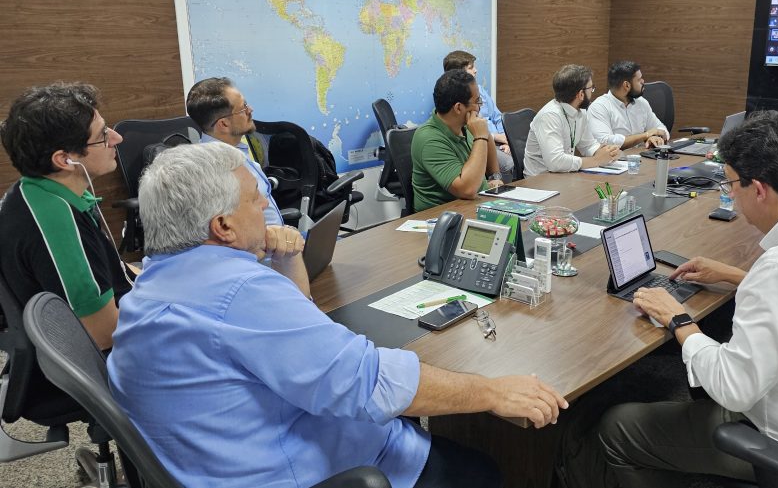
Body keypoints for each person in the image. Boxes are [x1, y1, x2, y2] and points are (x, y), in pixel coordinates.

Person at [107, 142, 568, 488]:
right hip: (304, 472)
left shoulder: (150, 286)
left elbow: (297, 324)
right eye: (254, 200)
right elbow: (367, 384)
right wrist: (492, 391)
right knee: (482, 470)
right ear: (222, 226)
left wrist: (285, 256)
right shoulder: (238, 292)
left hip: (219, 459)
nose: (266, 207)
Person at [567, 111, 778, 488]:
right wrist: (737, 277)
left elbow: (733, 388)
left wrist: (680, 321)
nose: (730, 194)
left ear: (759, 189)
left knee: (617, 428)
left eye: (731, 184)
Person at [0, 82, 130, 351]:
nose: (117, 138)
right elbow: (103, 335)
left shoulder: (35, 190)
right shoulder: (59, 224)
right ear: (64, 160)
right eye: (103, 135)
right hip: (110, 359)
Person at [186, 77, 284, 226]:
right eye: (243, 108)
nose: (250, 110)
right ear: (224, 124)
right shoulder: (219, 170)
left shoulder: (234, 150)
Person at [411, 69, 501, 212]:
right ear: (459, 108)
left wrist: (495, 176)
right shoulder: (429, 139)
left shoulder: (464, 125)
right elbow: (467, 190)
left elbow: (487, 136)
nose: (480, 107)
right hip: (442, 217)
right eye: (477, 101)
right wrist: (480, 137)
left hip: (475, 205)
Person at [523, 64, 620, 176]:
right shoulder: (550, 116)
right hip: (540, 179)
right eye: (591, 88)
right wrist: (596, 160)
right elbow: (555, 162)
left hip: (563, 174)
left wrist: (606, 152)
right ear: (581, 94)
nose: (592, 92)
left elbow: (588, 145)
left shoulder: (581, 111)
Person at [443, 50, 515, 181]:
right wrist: (495, 137)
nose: (475, 70)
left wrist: (507, 140)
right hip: (481, 140)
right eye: (471, 68)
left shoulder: (479, 89)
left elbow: (497, 117)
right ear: (459, 74)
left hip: (498, 140)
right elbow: (471, 129)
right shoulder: (452, 98)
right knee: (509, 163)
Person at [588, 61, 668, 149]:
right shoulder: (599, 107)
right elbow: (605, 141)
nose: (643, 81)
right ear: (626, 85)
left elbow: (661, 129)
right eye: (639, 79)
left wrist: (655, 138)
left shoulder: (641, 102)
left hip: (641, 154)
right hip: (616, 157)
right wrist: (646, 135)